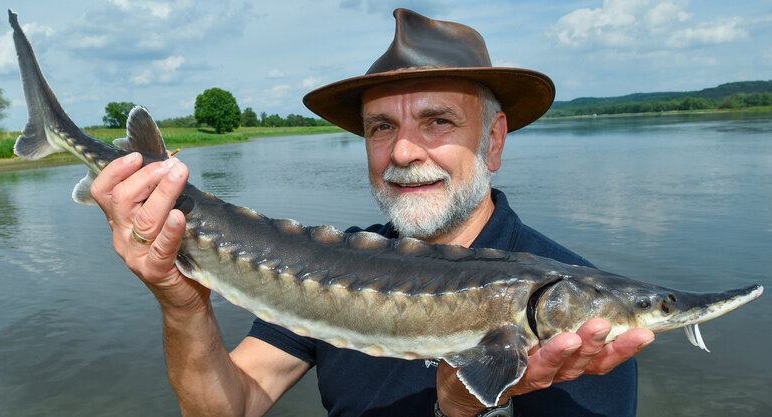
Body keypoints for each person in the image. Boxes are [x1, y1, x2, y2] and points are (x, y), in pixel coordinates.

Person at [90, 8, 654, 417]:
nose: (403, 152)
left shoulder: (586, 321)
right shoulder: (335, 260)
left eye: (438, 121)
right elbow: (226, 409)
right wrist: (182, 305)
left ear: (494, 139)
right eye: (382, 127)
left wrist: (461, 413)